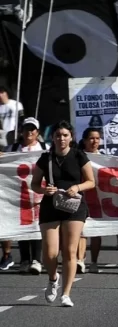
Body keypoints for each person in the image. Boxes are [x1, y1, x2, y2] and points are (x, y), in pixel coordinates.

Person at [31, 121, 95, 307]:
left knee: (70, 251)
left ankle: (66, 294)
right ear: (53, 137)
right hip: (51, 205)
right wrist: (44, 191)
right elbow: (34, 183)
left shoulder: (78, 155)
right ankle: (53, 279)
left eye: (65, 135)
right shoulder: (46, 158)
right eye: (58, 135)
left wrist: (77, 187)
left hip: (74, 206)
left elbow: (91, 182)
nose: (61, 138)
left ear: (71, 137)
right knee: (49, 253)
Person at [7, 116, 46, 275]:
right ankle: (24, 259)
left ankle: (36, 259)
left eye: (32, 129)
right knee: (22, 226)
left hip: (39, 193)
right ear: (21, 131)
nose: (29, 132)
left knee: (37, 225)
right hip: (18, 193)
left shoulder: (45, 147)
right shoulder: (13, 148)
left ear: (37, 132)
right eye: (26, 129)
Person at [78, 128, 104, 274]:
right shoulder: (78, 156)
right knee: (81, 231)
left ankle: (94, 262)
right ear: (85, 140)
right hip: (81, 198)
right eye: (91, 138)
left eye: (97, 138)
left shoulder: (104, 158)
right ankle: (80, 260)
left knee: (96, 232)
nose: (95, 141)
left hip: (98, 199)